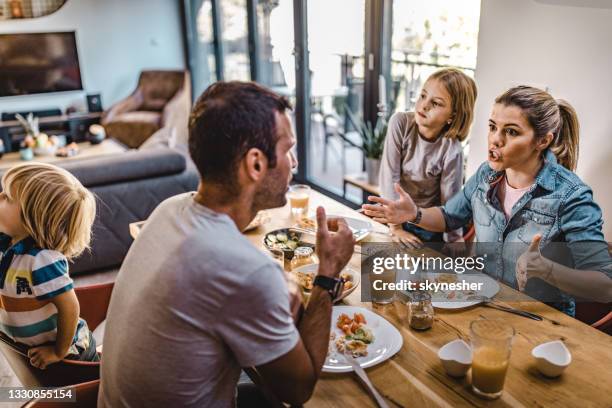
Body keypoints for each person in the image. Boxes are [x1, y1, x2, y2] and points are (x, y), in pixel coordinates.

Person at [99, 81, 356, 408]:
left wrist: (273, 285)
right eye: (287, 150)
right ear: (256, 164)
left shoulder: (168, 210)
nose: (294, 162)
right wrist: (328, 274)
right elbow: (298, 390)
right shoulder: (244, 270)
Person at [363, 85, 611, 314]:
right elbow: (449, 217)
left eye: (511, 132)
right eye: (493, 127)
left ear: (543, 140)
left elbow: (604, 286)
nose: (495, 139)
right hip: (484, 305)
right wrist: (414, 214)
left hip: (539, 320)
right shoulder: (486, 174)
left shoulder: (572, 197)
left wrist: (547, 269)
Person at [0, 163, 98, 368]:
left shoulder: (42, 261)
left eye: (7, 197)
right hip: (28, 346)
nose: (0, 197)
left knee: (69, 395)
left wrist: (58, 352)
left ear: (32, 217)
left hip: (70, 355)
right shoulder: (7, 243)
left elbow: (70, 307)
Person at [378, 68, 477, 248]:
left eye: (436, 103)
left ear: (453, 115)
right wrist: (396, 227)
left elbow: (450, 202)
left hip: (427, 225)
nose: (424, 105)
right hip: (394, 217)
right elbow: (389, 179)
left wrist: (453, 242)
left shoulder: (452, 149)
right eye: (423, 96)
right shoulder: (400, 123)